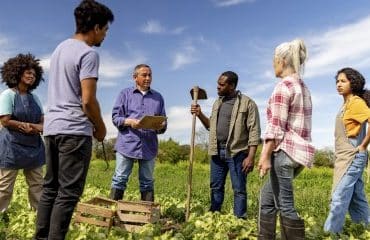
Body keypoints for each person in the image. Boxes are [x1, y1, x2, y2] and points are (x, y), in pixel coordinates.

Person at [34, 0, 114, 239]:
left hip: (52, 128)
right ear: (96, 27)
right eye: (106, 30)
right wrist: (100, 128)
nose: (105, 35)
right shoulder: (88, 54)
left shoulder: (60, 48)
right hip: (74, 131)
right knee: (68, 193)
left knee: (50, 188)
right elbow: (87, 101)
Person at [257, 39, 314, 240]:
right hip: (298, 155)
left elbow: (276, 127)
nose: (273, 64)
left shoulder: (283, 86)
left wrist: (264, 156)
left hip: (284, 154)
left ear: (281, 60)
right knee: (267, 199)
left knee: (285, 206)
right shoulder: (303, 87)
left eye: (273, 60)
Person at [190, 71, 261, 218]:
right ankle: (214, 217)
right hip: (217, 151)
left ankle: (239, 221)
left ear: (232, 86)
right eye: (218, 83)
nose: (217, 87)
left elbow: (254, 131)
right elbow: (211, 126)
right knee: (216, 186)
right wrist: (199, 114)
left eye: (221, 85)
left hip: (237, 152)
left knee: (239, 189)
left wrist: (251, 156)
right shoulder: (218, 103)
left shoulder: (248, 103)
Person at [109, 64, 167, 202]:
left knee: (147, 181)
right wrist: (130, 122)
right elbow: (115, 118)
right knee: (120, 178)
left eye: (150, 75)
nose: (148, 78)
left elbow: (163, 122)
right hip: (127, 143)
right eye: (144, 75)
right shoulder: (125, 94)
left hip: (149, 145)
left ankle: (147, 217)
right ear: (135, 77)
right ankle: (112, 212)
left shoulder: (158, 97)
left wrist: (160, 125)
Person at [324, 68, 370, 234]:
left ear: (353, 83)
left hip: (352, 157)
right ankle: (365, 231)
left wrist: (363, 145)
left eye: (343, 81)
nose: (339, 84)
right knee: (357, 200)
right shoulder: (346, 105)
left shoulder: (356, 102)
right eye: (337, 81)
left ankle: (329, 235)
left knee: (338, 198)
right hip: (344, 157)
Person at [0, 53, 45, 214]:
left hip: (34, 147)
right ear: (17, 73)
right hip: (12, 147)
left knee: (37, 185)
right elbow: (5, 121)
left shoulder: (36, 98)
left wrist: (34, 127)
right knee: (4, 186)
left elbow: (43, 123)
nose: (31, 76)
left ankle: (39, 216)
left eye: (34, 74)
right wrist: (24, 126)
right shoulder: (8, 95)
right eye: (28, 73)